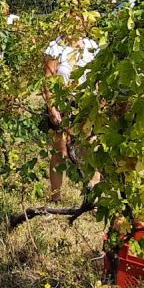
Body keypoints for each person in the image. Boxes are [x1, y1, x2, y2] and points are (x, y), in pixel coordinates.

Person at [42, 31, 99, 203]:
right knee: (60, 151)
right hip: (63, 102)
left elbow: (98, 77)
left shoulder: (93, 47)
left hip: (87, 102)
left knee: (91, 149)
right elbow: (48, 79)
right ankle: (55, 197)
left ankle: (92, 198)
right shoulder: (56, 46)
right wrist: (52, 108)